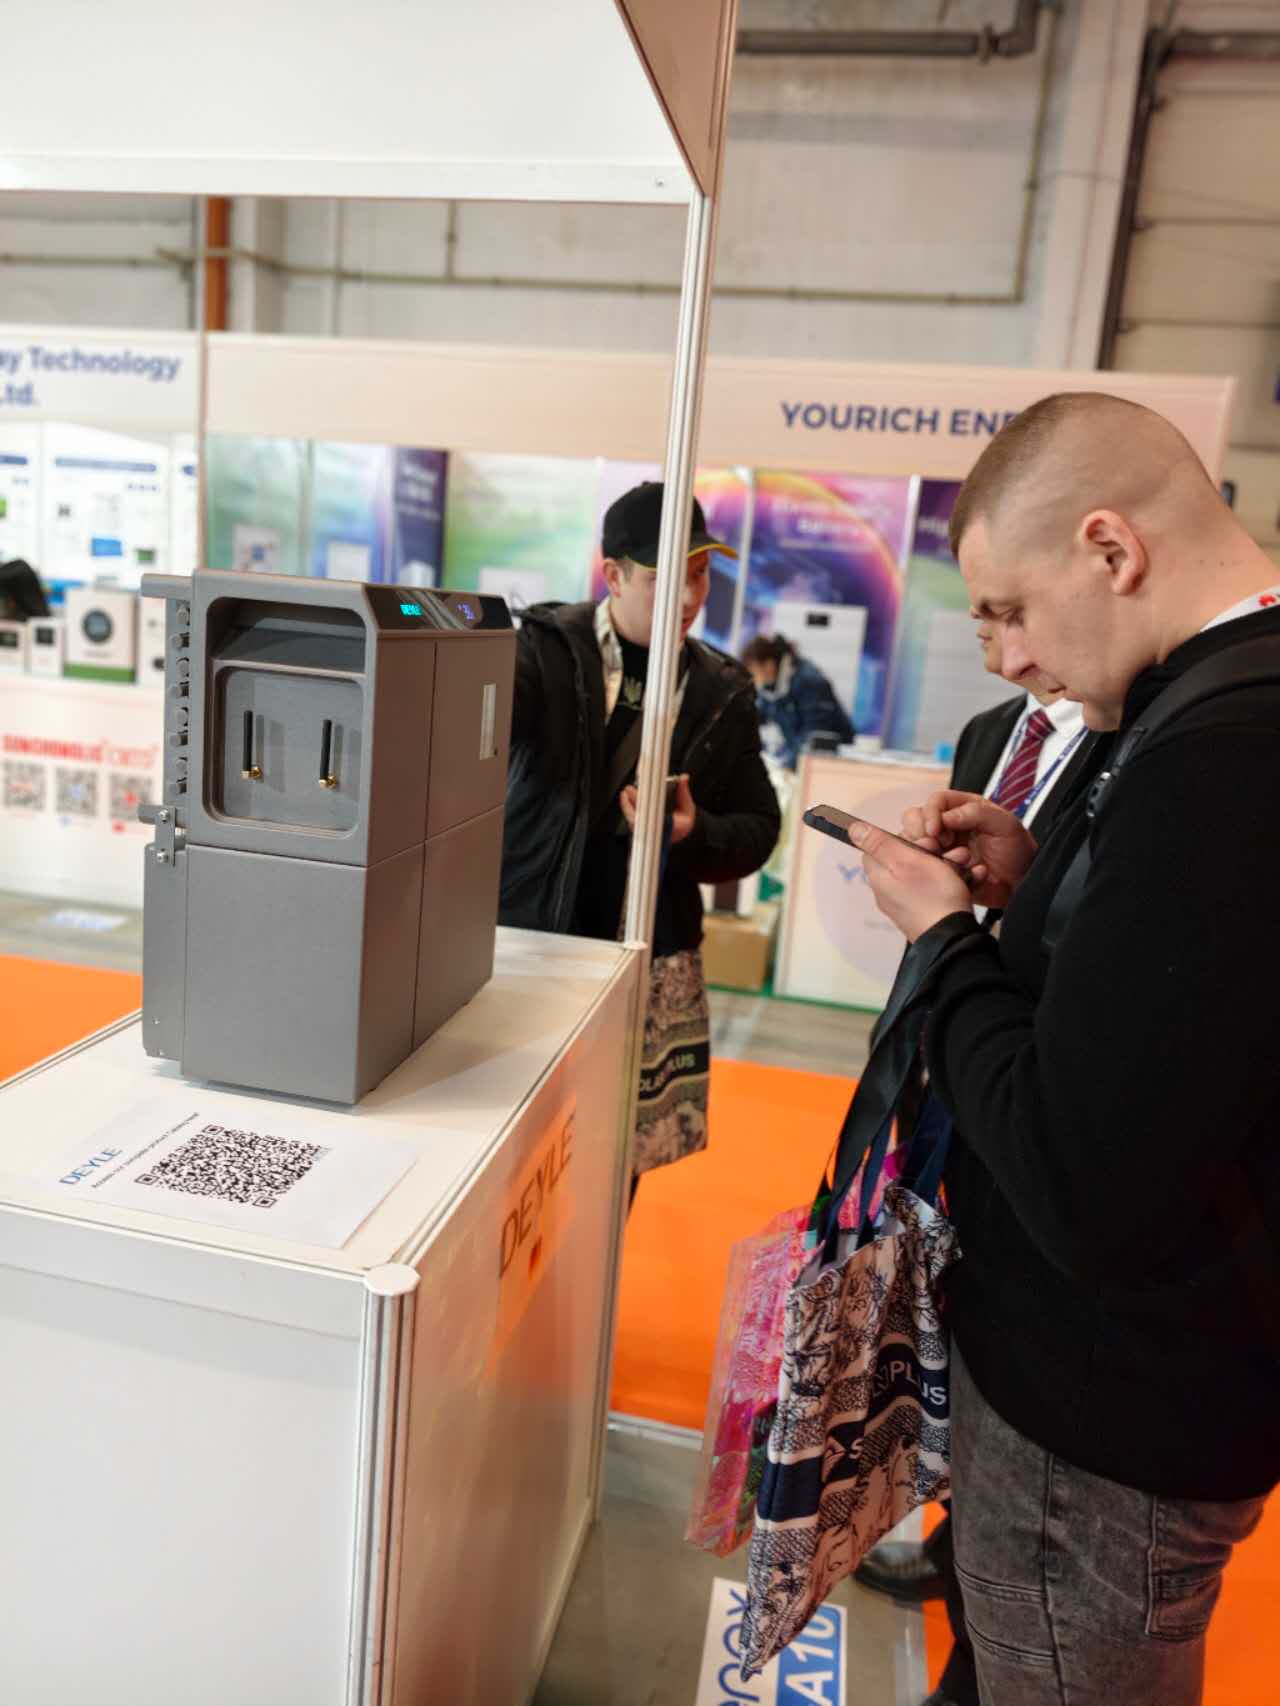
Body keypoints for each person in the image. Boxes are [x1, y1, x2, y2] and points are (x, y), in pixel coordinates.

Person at [846, 392, 1280, 1706]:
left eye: (1014, 609)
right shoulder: (1205, 705)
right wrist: (1043, 885)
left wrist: (943, 942)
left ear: (1110, 548)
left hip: (1106, 1410)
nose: (1011, 656)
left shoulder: (1220, 748)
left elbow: (1084, 1177)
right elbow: (1175, 1014)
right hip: (1143, 1387)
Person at [854, 621, 1109, 1706]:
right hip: (963, 1080)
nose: (1001, 651)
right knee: (952, 1341)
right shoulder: (993, 731)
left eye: (1013, 608)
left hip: (1045, 1136)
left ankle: (970, 1573)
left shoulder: (1146, 737)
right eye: (981, 621)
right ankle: (958, 1544)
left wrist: (962, 929)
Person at [500, 480, 780, 1180]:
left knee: (613, 1160)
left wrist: (692, 831)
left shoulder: (721, 688)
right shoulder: (540, 653)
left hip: (648, 959)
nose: (689, 597)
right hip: (532, 943)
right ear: (614, 575)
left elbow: (757, 830)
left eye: (700, 574)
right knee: (513, 1152)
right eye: (665, 578)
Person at [742, 633, 854, 768]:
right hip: (803, 758)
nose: (752, 678)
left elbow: (814, 734)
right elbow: (757, 716)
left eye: (752, 671)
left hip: (833, 763)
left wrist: (788, 764)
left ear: (769, 665)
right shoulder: (771, 687)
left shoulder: (809, 681)